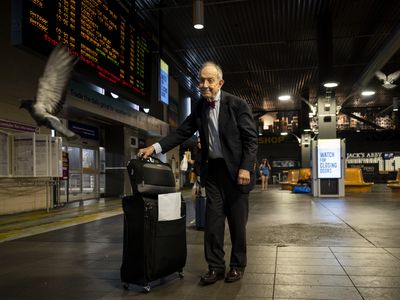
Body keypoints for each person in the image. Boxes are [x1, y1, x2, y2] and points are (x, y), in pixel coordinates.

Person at [138, 61, 258, 285]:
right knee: (213, 223)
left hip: (236, 173)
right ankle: (215, 267)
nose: (204, 84)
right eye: (201, 80)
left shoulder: (237, 105)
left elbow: (251, 140)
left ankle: (237, 265)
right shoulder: (200, 106)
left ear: (220, 83)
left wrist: (245, 167)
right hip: (213, 172)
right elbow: (182, 132)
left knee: (237, 223)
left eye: (210, 80)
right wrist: (154, 148)